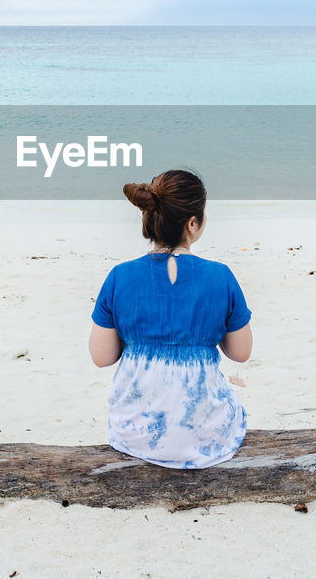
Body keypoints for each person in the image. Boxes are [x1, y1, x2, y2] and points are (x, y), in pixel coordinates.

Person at [89, 170, 253, 469]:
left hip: (134, 435)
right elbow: (240, 353)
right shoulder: (221, 277)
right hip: (205, 437)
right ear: (193, 223)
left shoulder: (119, 276)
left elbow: (102, 357)